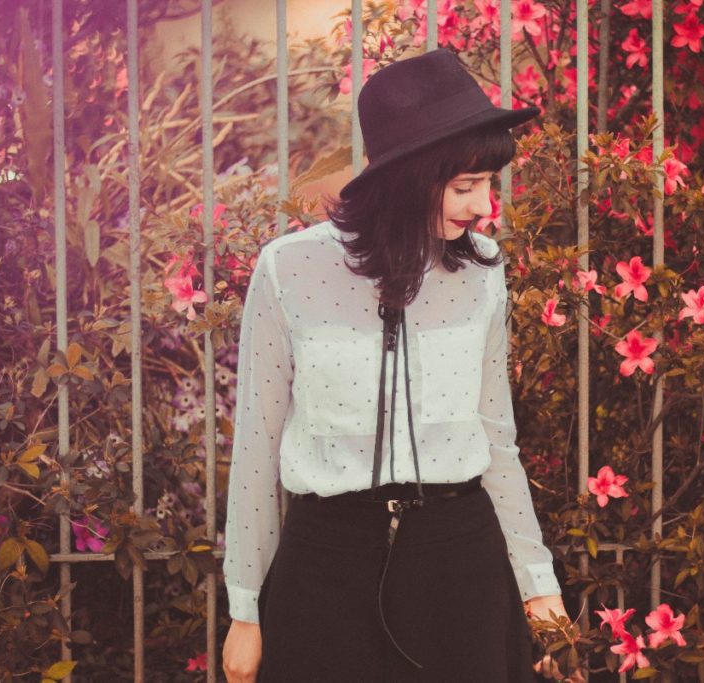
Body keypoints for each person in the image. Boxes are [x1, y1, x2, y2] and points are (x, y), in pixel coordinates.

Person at [221, 48, 580, 682]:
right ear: (406, 174)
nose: (483, 207)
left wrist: (538, 586)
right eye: (465, 186)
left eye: (489, 184)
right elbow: (257, 441)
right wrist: (246, 608)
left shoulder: (482, 273)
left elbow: (497, 439)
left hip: (457, 559)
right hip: (324, 565)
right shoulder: (289, 269)